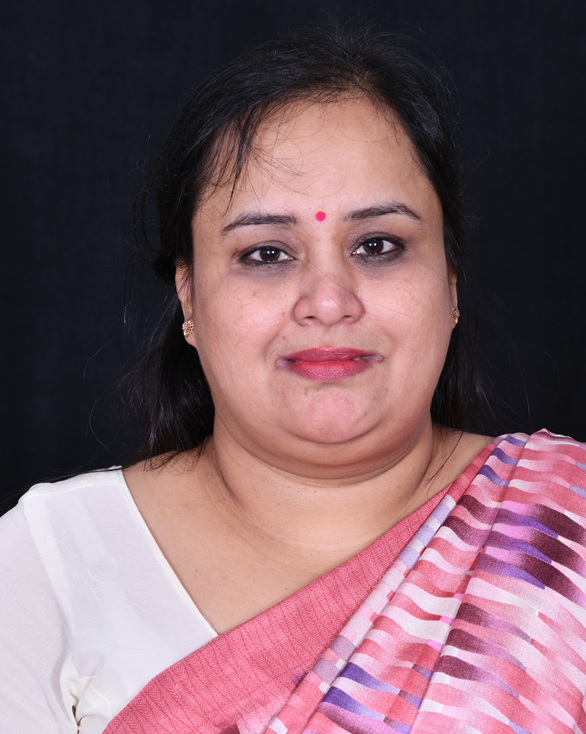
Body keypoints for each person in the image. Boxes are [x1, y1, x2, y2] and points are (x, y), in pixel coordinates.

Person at [1, 24, 586, 734]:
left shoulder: (565, 533)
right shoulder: (51, 565)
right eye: (267, 254)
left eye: (378, 245)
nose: (329, 301)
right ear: (189, 297)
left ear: (451, 283)